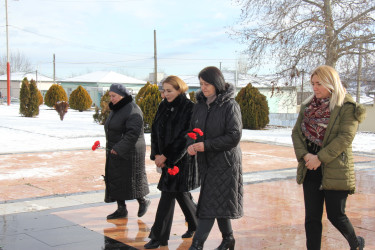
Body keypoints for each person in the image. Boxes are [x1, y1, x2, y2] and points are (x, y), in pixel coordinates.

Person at [291, 65, 366, 250]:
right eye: (313, 83)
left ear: (331, 83)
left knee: (336, 215)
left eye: (319, 83)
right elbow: (296, 133)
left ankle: (355, 244)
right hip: (310, 167)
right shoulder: (308, 106)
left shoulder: (346, 106)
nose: (315, 88)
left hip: (335, 168)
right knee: (312, 219)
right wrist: (306, 155)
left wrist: (320, 158)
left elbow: (345, 137)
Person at [187, 66, 243, 250]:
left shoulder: (230, 105)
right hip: (206, 162)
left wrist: (207, 145)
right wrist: (191, 144)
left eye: (207, 84)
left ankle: (196, 246)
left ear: (217, 83)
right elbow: (192, 131)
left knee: (208, 204)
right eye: (201, 84)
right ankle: (228, 239)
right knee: (217, 200)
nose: (203, 88)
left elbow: (234, 136)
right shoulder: (200, 106)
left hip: (225, 163)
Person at [144, 76, 200, 249]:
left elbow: (186, 136)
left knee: (167, 193)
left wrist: (167, 156)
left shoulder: (189, 108)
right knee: (180, 193)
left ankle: (159, 237)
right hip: (165, 158)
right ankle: (196, 224)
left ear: (180, 89)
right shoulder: (163, 106)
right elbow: (155, 131)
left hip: (182, 159)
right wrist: (157, 155)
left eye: (170, 90)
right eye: (164, 90)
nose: (165, 94)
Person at [104, 83, 150, 220]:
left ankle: (143, 201)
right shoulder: (117, 108)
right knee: (115, 179)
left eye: (114, 96)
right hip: (114, 149)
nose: (111, 98)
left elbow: (133, 133)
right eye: (110, 96)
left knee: (132, 179)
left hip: (130, 151)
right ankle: (121, 209)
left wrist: (119, 148)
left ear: (123, 96)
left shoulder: (132, 109)